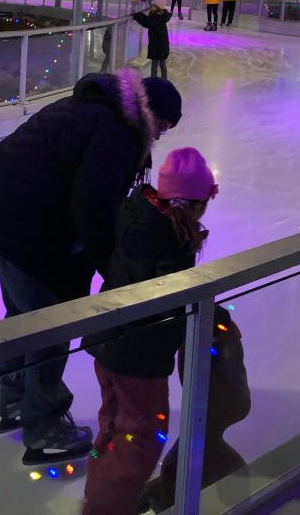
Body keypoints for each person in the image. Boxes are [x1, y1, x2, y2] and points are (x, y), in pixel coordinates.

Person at [0, 69, 183, 466]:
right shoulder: (120, 132)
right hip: (17, 227)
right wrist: (114, 268)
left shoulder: (95, 109)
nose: (159, 135)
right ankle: (45, 427)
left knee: (24, 315)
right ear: (150, 113)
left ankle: (17, 403)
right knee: (52, 325)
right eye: (161, 125)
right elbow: (92, 206)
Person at [81, 147, 218, 515]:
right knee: (139, 437)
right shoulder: (173, 239)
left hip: (108, 342)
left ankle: (101, 493)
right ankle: (106, 507)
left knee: (112, 425)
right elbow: (166, 299)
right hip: (138, 358)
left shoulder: (137, 213)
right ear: (197, 202)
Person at [143, 306, 252, 513]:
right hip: (216, 405)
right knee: (187, 456)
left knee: (187, 456)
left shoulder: (210, 335)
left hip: (217, 406)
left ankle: (161, 495)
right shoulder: (207, 334)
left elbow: (226, 380)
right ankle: (161, 494)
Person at [133, 0, 173, 80]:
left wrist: (136, 16)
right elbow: (147, 20)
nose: (151, 6)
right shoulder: (156, 15)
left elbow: (147, 23)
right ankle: (154, 80)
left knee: (161, 64)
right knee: (155, 63)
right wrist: (139, 14)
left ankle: (164, 80)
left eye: (153, 5)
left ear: (158, 7)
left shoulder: (158, 18)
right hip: (157, 44)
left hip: (160, 46)